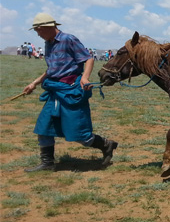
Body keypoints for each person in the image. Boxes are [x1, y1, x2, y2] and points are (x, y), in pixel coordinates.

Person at [22, 13, 118, 172]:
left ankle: (106, 145)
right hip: (54, 92)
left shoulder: (68, 39)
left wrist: (85, 78)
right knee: (44, 127)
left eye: (38, 30)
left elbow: (88, 59)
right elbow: (52, 70)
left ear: (47, 27)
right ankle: (47, 163)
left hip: (70, 91)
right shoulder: (48, 43)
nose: (37, 34)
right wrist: (34, 83)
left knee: (79, 134)